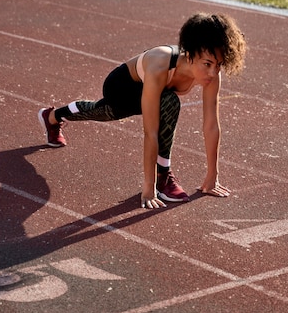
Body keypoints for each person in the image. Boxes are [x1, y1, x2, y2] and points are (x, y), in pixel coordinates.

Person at [38, 13, 247, 209]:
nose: (213, 72)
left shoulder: (212, 75)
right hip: (122, 87)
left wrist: (212, 176)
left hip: (160, 92)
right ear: (190, 55)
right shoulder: (160, 64)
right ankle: (52, 116)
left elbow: (211, 126)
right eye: (208, 64)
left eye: (218, 65)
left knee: (169, 101)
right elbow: (151, 131)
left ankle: (163, 175)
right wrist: (148, 188)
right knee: (103, 111)